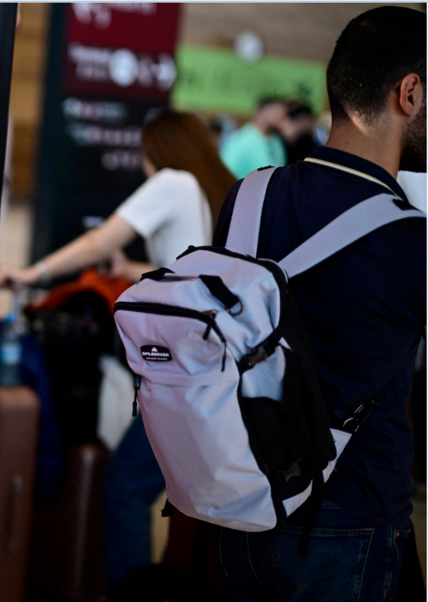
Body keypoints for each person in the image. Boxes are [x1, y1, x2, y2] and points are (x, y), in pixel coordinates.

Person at [210, 7, 425, 601]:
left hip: (240, 506)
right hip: (349, 520)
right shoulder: (412, 240)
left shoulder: (249, 196)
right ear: (409, 93)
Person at [0, 110, 237, 586]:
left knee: (126, 488)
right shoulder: (219, 191)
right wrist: (129, 269)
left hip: (183, 374)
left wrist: (30, 274)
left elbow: (96, 241)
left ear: (157, 150)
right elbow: (191, 275)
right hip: (222, 370)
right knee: (196, 503)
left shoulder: (172, 182)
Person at [220, 98, 289, 179]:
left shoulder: (276, 139)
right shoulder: (243, 140)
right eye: (278, 112)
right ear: (262, 113)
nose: (282, 117)